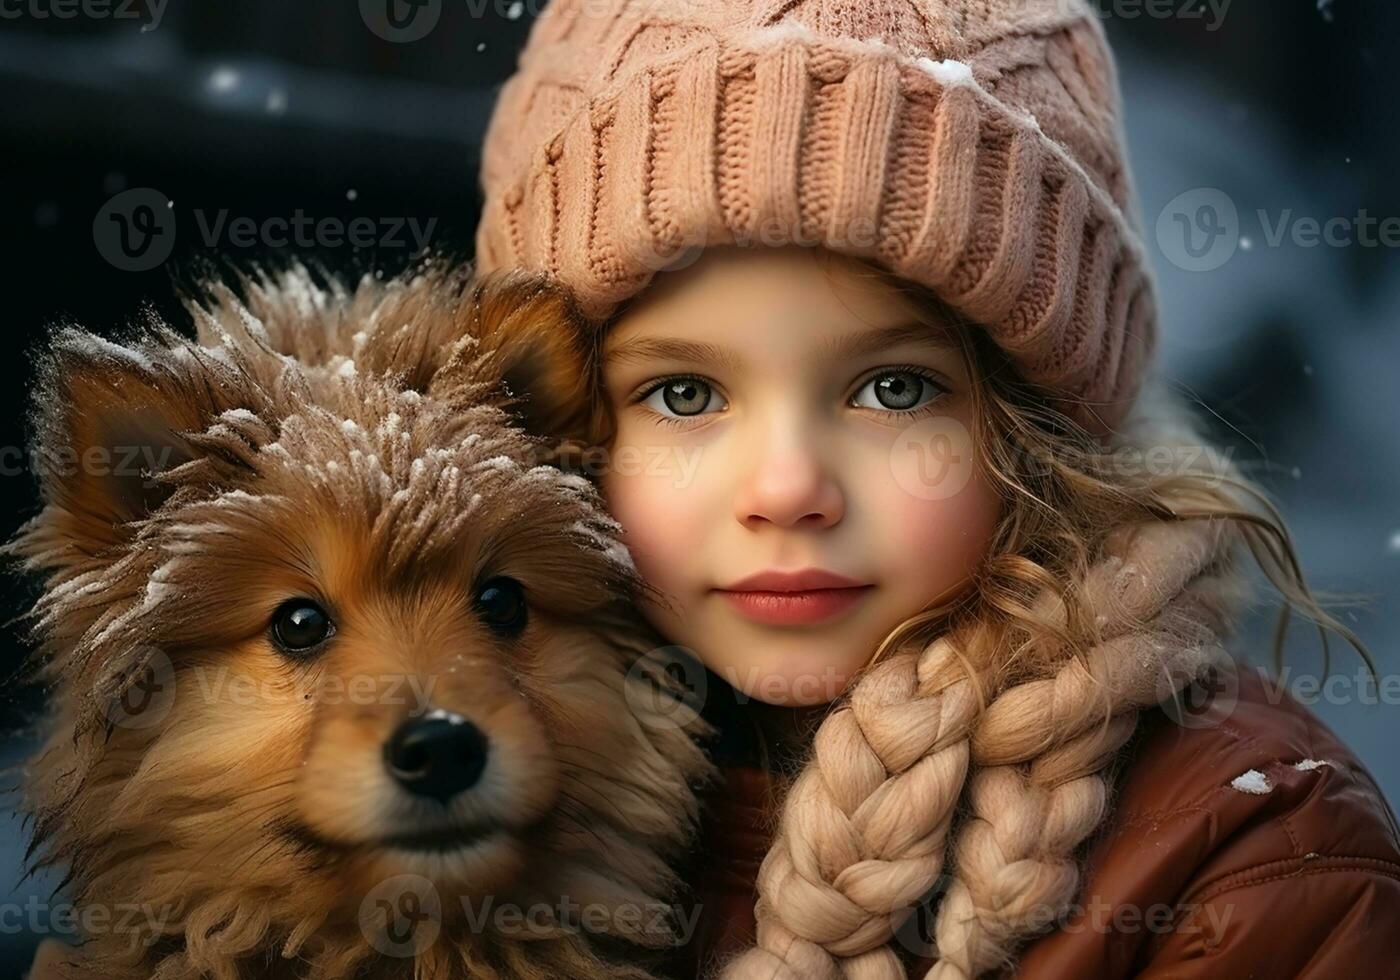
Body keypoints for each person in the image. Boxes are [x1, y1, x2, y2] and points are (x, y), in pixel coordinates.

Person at [471, 1, 1400, 976]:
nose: (786, 489)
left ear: (1035, 424)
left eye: (892, 388)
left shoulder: (1243, 866)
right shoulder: (447, 795)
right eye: (684, 392)